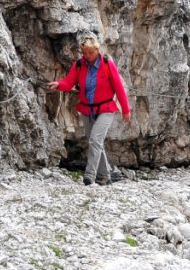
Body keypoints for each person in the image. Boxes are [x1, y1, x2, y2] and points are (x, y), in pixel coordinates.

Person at [48, 37, 131, 186]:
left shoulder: (107, 64)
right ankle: (105, 176)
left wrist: (126, 110)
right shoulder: (79, 65)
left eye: (90, 53)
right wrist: (58, 84)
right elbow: (69, 82)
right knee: (95, 142)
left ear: (97, 50)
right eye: (84, 52)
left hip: (106, 108)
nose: (87, 56)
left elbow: (118, 87)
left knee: (94, 140)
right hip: (87, 109)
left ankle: (89, 175)